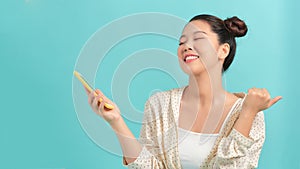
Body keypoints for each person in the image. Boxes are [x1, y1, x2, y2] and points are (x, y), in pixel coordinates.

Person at [84, 14, 282, 169]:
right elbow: (148, 167)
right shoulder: (159, 104)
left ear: (223, 51)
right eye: (181, 42)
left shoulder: (249, 111)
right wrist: (116, 121)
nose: (186, 46)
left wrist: (247, 113)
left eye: (198, 39)